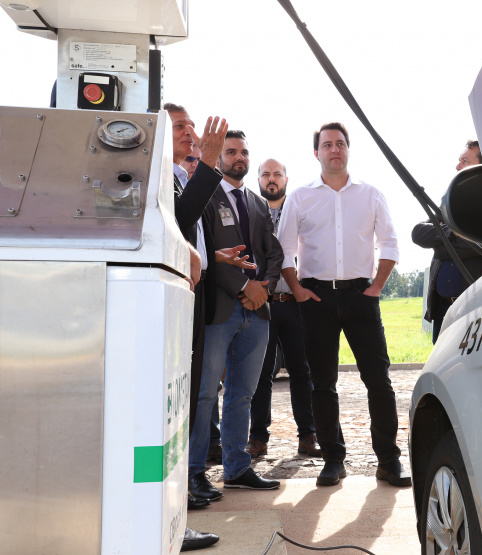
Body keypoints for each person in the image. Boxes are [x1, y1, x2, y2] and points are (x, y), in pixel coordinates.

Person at [276, 122, 411, 487]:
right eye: (327, 144)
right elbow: (284, 249)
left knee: (379, 381)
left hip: (361, 297)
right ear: (316, 152)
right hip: (316, 298)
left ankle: (389, 461)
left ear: (348, 149)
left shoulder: (371, 194)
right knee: (322, 384)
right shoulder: (300, 197)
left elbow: (390, 243)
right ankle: (334, 459)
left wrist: (377, 287)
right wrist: (297, 289)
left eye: (340, 143)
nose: (334, 149)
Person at [188, 130, 284, 501]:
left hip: (257, 313)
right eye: (231, 152)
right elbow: (206, 252)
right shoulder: (205, 196)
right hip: (219, 310)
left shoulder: (258, 203)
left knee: (242, 394)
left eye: (243, 152)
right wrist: (245, 287)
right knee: (204, 395)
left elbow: (273, 253)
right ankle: (194, 473)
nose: (238, 157)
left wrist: (264, 289)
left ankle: (237, 468)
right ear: (218, 157)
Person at [166, 103, 227, 552]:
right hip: (171, 299)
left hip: (194, 295)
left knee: (184, 400)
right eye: (179, 126)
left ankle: (178, 501)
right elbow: (180, 219)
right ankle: (169, 513)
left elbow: (191, 236)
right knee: (174, 405)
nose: (190, 131)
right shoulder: (161, 178)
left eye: (191, 124)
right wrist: (208, 161)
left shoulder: (181, 177)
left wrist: (210, 258)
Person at [247, 159, 320, 459]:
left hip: (294, 303)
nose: (271, 179)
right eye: (266, 174)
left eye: (277, 174)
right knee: (261, 373)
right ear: (259, 180)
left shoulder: (301, 209)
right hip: (261, 304)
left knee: (302, 371)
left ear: (286, 179)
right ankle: (258, 438)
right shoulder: (249, 210)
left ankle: (308, 435)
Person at [412, 140, 482, 343]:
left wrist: (439, 244)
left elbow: (480, 245)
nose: (457, 166)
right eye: (459, 160)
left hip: (475, 311)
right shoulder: (448, 204)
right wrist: (453, 232)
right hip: (442, 310)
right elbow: (418, 233)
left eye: (465, 161)